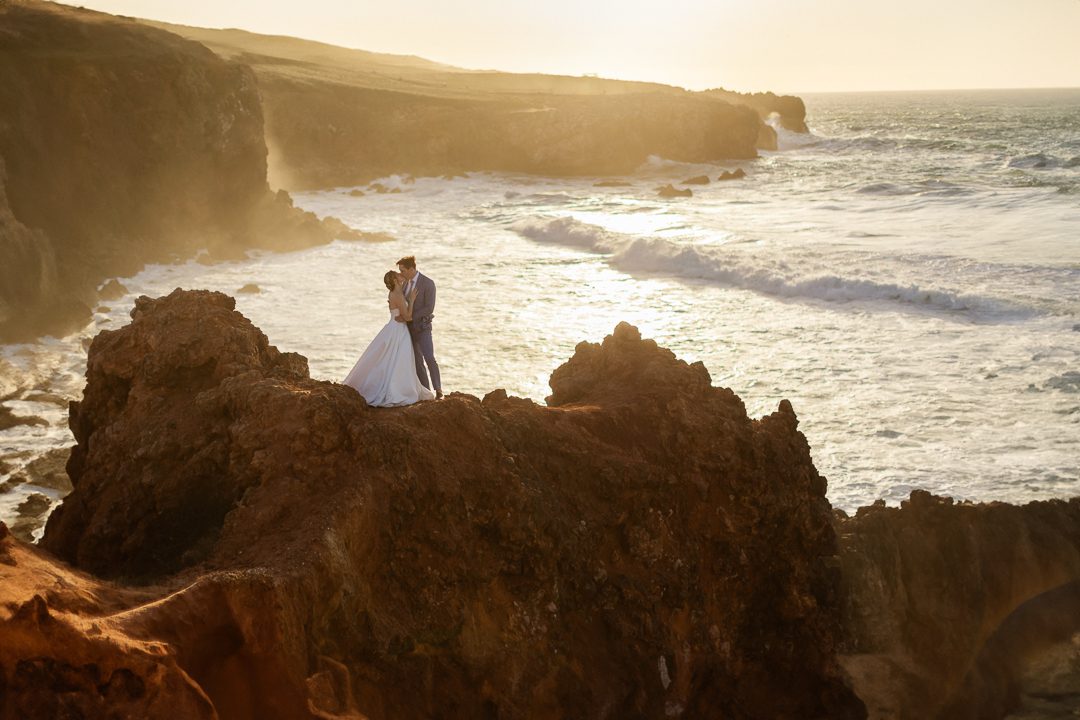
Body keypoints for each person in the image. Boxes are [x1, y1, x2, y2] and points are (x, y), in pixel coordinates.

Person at [343, 270, 435, 406]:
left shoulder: (395, 293)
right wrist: (411, 300)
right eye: (398, 275)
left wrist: (403, 310)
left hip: (394, 326)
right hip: (399, 330)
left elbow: (400, 313)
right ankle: (397, 389)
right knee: (399, 359)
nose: (400, 274)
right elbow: (408, 316)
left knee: (391, 359)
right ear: (395, 280)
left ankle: (392, 385)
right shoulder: (397, 294)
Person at [396, 256, 443, 399]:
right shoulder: (403, 285)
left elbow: (429, 308)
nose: (401, 274)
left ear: (411, 269)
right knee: (417, 361)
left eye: (403, 271)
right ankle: (426, 391)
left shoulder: (428, 283)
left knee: (429, 358)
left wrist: (410, 316)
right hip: (408, 329)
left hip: (423, 328)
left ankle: (438, 390)